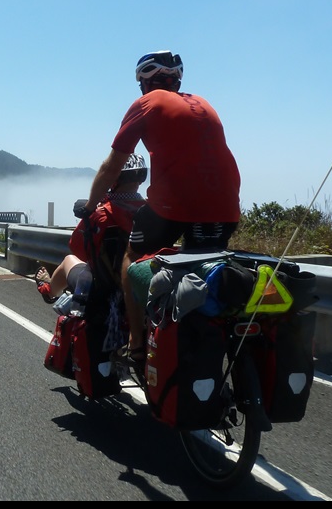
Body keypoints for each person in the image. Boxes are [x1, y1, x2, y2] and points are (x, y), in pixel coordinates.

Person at [78, 50, 241, 369]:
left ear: (144, 82)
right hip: (226, 207)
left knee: (132, 256)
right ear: (177, 80)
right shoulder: (202, 103)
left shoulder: (145, 103)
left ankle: (137, 343)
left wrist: (90, 204)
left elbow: (112, 166)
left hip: (173, 206)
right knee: (202, 269)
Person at [35, 153, 148, 306]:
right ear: (141, 179)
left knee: (69, 260)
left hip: (103, 286)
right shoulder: (151, 212)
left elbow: (77, 248)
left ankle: (49, 291)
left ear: (113, 179)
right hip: (142, 284)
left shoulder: (100, 215)